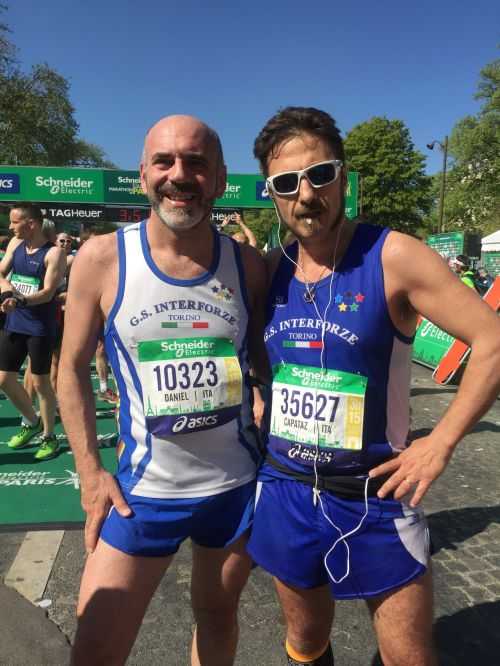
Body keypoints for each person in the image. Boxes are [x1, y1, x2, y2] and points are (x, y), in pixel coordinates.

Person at [246, 107, 500, 666]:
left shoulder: (394, 255)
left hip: (375, 493)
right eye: (287, 183)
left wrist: (441, 443)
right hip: (287, 487)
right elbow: (259, 356)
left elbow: (492, 339)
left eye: (320, 175)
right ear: (272, 194)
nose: (306, 194)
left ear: (343, 177)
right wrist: (261, 392)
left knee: (409, 655)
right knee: (305, 641)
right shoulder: (270, 268)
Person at [58, 114, 268, 666]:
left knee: (217, 618)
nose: (179, 175)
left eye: (196, 163)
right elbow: (71, 369)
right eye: (164, 161)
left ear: (219, 178)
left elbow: (265, 364)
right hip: (143, 493)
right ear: (143, 175)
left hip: (233, 488)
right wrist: (89, 472)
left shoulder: (247, 265)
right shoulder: (102, 258)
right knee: (95, 648)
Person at [0, 203, 66, 460]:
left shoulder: (54, 253)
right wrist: (7, 292)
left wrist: (20, 300)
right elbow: (1, 272)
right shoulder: (15, 244)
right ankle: (31, 421)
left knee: (40, 383)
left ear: (32, 224)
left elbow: (48, 293)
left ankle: (49, 437)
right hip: (14, 321)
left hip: (39, 327)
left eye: (15, 222)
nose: (10, 226)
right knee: (4, 379)